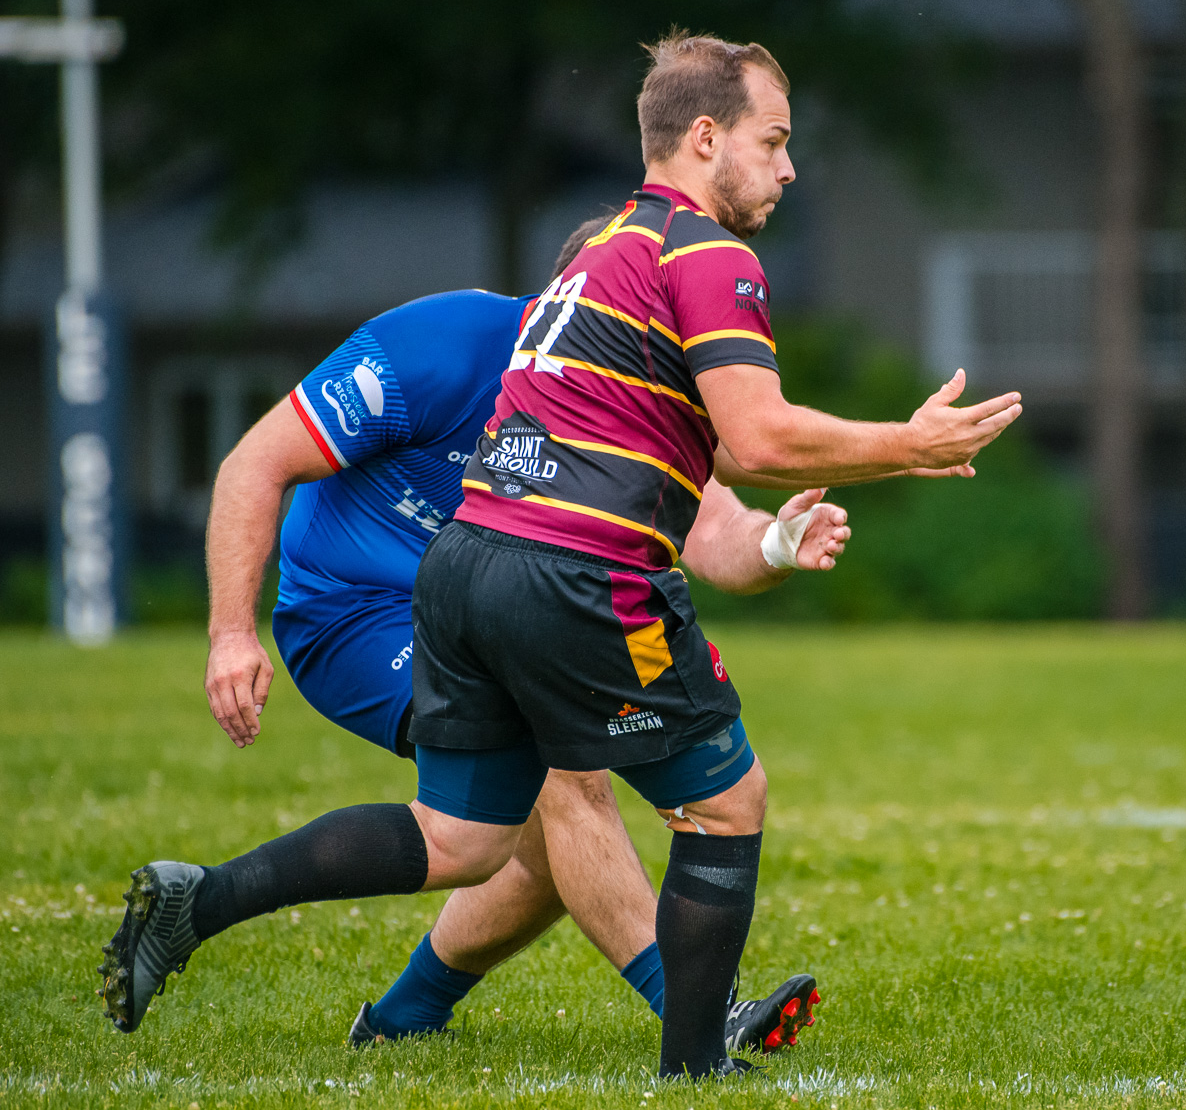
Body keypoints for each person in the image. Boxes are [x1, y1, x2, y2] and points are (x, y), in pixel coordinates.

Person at [102, 30, 1022, 1080]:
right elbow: (760, 438)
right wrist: (909, 446)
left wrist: (774, 536)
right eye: (775, 142)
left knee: (466, 838)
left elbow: (715, 505)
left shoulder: (605, 257)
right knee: (716, 799)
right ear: (705, 135)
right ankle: (697, 1062)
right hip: (451, 594)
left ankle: (210, 908)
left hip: (466, 573)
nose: (789, 168)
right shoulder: (696, 257)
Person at [173, 230, 848, 1050]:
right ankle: (700, 1014)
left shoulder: (631, 395)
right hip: (351, 613)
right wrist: (230, 634)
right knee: (565, 779)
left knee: (526, 845)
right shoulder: (440, 346)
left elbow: (715, 539)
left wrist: (777, 545)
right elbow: (252, 465)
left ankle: (398, 1018)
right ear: (575, 299)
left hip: (487, 612)